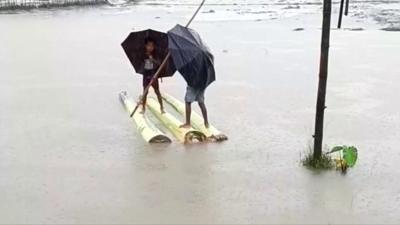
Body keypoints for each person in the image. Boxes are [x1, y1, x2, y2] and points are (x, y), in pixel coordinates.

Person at [140, 37, 165, 114]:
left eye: (152, 46)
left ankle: (162, 108)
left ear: (154, 47)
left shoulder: (155, 54)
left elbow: (159, 64)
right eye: (148, 46)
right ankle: (143, 108)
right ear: (145, 46)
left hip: (153, 76)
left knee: (157, 92)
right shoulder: (143, 54)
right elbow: (140, 64)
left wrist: (152, 59)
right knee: (145, 92)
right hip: (146, 76)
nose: (150, 48)